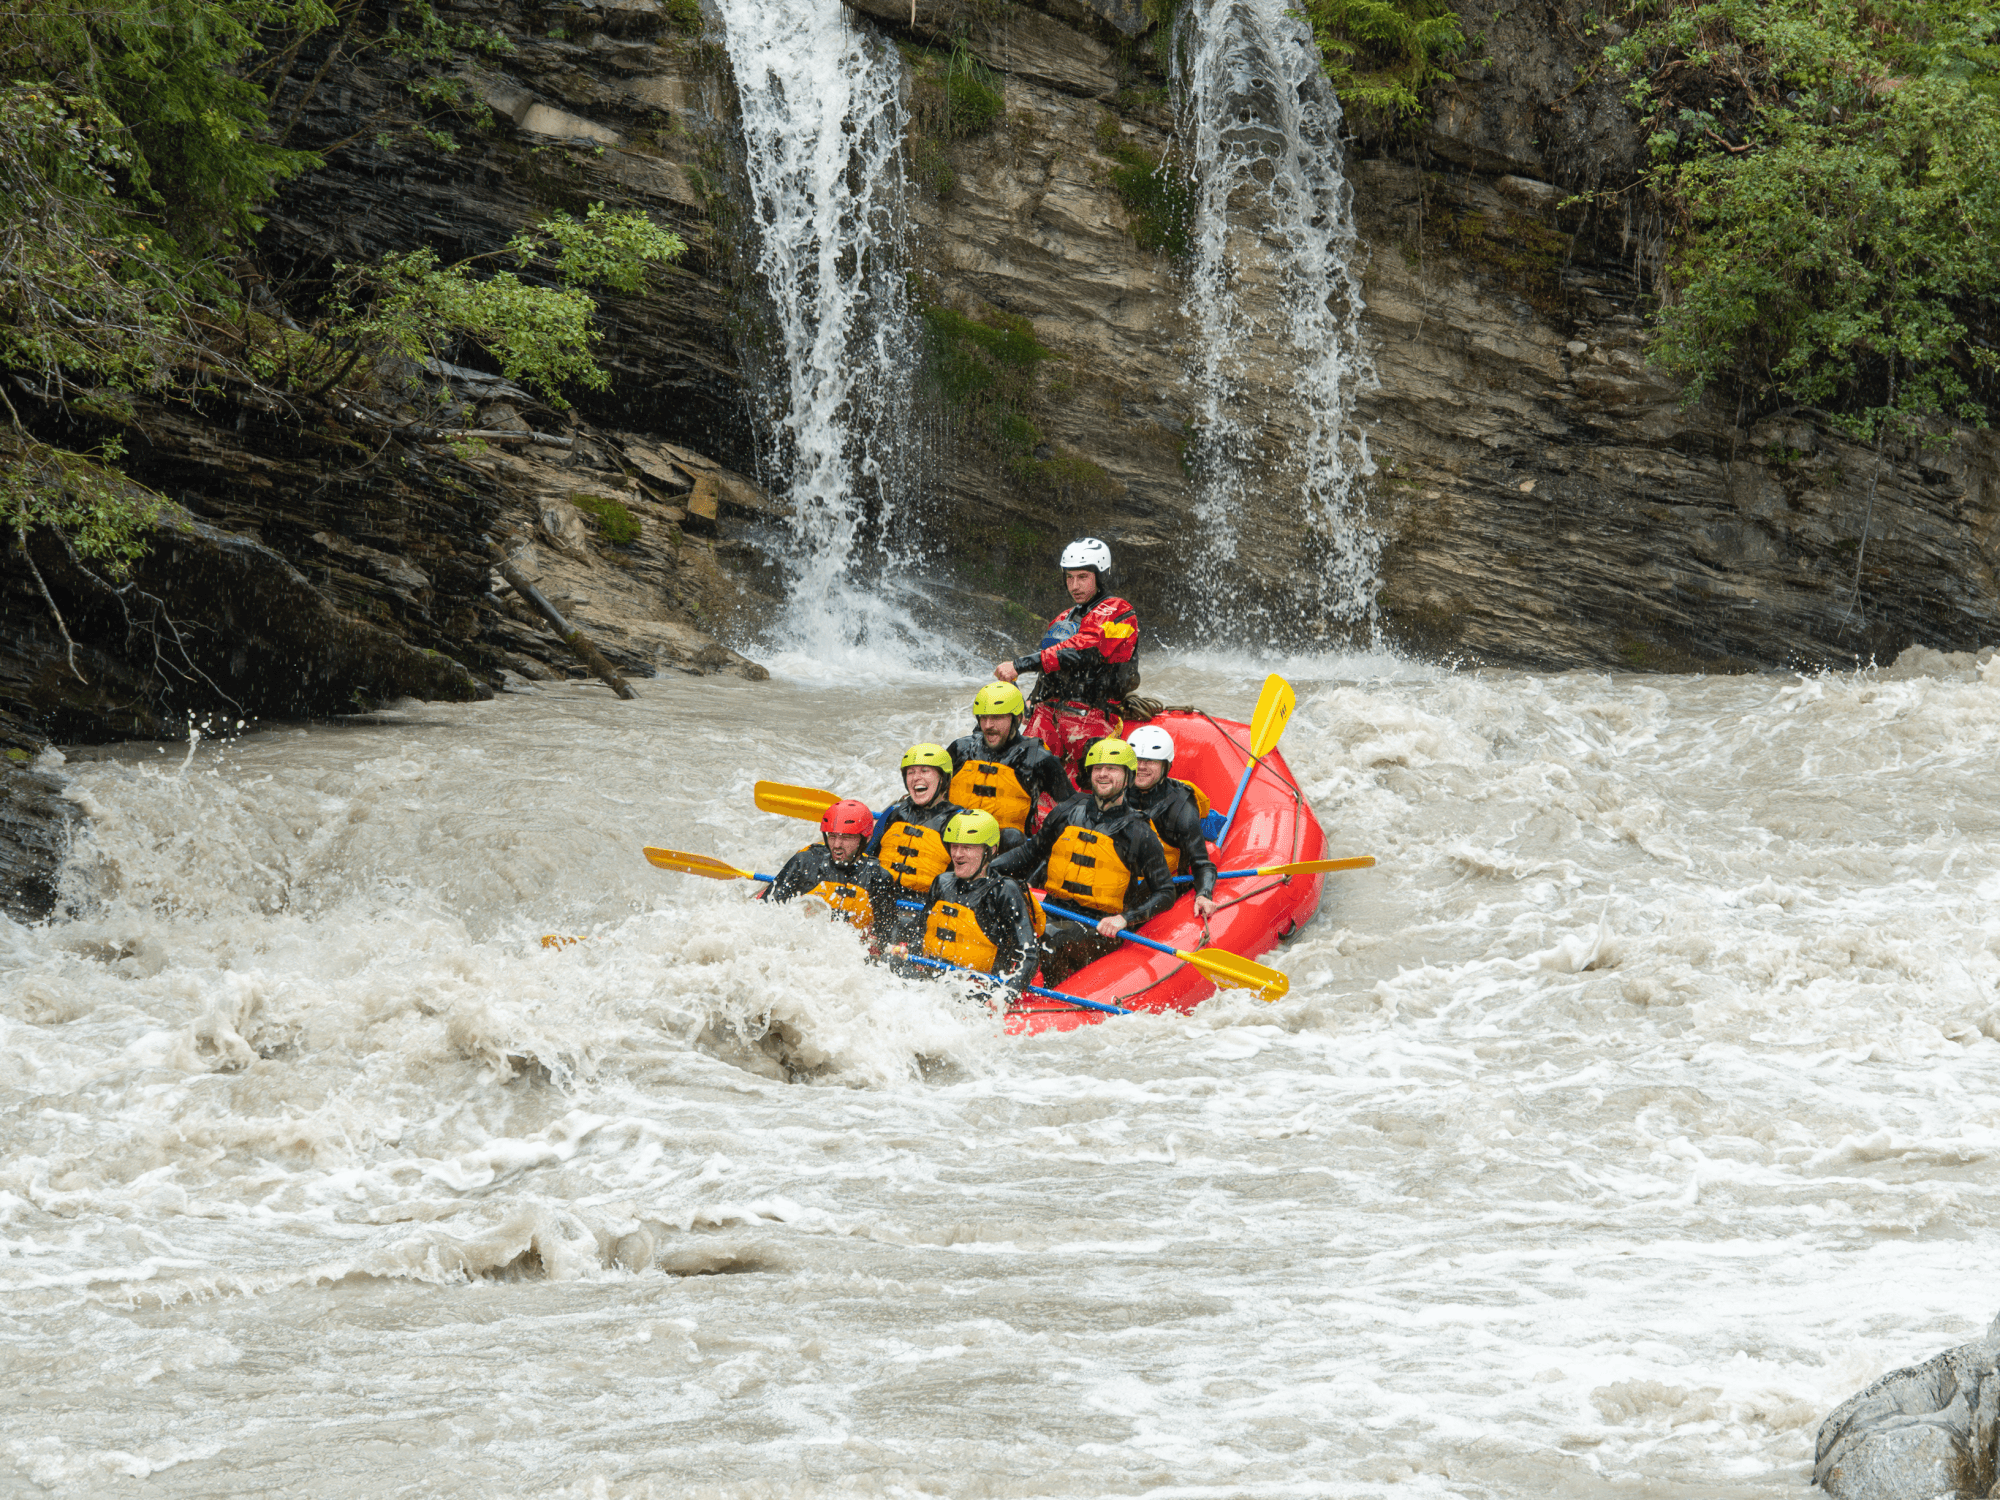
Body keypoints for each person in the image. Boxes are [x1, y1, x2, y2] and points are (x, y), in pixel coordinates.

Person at [990, 736, 1173, 984]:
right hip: (1053, 909)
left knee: (1050, 936)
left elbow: (1164, 892)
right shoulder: (1066, 812)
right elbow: (1030, 853)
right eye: (1098, 768)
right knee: (1000, 923)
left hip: (1098, 927)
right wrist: (987, 870)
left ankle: (1047, 995)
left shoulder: (1139, 832)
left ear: (1128, 778)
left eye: (1112, 769)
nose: (1103, 774)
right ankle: (993, 984)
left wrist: (1124, 919)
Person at [992, 537, 1140, 782]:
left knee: (1081, 784)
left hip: (1094, 716)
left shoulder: (1120, 612)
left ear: (1100, 576)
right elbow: (1050, 667)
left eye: (1082, 577)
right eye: (1069, 578)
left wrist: (1019, 665)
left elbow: (1084, 651)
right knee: (1023, 775)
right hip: (1049, 713)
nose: (1074, 585)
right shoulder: (1064, 617)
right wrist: (1033, 698)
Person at [917, 810, 1041, 997]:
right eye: (954, 846)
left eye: (967, 847)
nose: (957, 855)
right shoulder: (942, 882)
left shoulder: (1004, 891)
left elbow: (1029, 955)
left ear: (989, 851)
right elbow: (921, 931)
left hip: (979, 988)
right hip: (934, 980)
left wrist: (1006, 995)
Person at [865, 745, 970, 942]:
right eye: (910, 772)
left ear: (943, 778)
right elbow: (867, 857)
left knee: (900, 929)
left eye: (925, 771)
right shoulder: (895, 812)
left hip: (925, 906)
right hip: (882, 899)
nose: (916, 777)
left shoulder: (958, 821)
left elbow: (966, 881)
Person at [946, 681, 1077, 836]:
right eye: (983, 717)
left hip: (1009, 851)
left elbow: (1073, 811)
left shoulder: (1038, 759)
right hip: (957, 842)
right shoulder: (961, 749)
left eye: (997, 717)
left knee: (1011, 837)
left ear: (1017, 718)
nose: (988, 725)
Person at [765, 797, 904, 936]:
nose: (837, 845)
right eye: (832, 836)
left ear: (866, 838)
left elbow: (887, 933)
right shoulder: (804, 863)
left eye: (846, 837)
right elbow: (764, 912)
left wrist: (878, 943)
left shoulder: (878, 877)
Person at [1125, 724, 1218, 921]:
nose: (1141, 767)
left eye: (1150, 761)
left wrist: (1203, 894)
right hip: (1119, 877)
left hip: (1161, 885)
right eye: (1137, 760)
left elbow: (1202, 864)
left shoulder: (1181, 808)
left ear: (1165, 765)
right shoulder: (1118, 792)